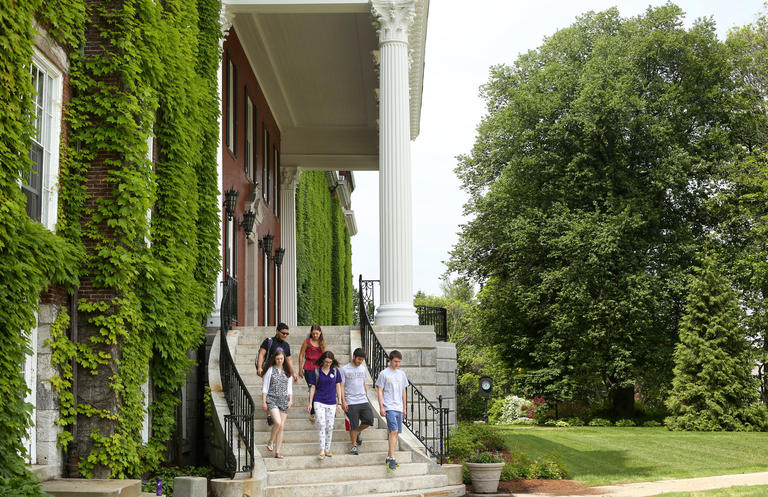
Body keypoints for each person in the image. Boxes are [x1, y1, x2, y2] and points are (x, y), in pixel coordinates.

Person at [376, 350, 408, 471]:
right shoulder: (384, 373)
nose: (397, 364)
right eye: (395, 361)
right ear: (390, 360)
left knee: (395, 433)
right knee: (393, 430)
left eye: (399, 362)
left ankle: (389, 457)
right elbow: (379, 390)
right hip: (389, 407)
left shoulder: (402, 374)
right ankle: (392, 457)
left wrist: (405, 408)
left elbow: (403, 391)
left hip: (399, 407)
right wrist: (381, 407)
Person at [307, 351, 342, 459]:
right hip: (319, 401)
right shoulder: (316, 371)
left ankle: (327, 448)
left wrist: (339, 402)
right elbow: (312, 387)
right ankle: (322, 449)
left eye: (330, 362)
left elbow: (338, 387)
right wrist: (310, 403)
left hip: (331, 402)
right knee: (322, 424)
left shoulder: (335, 371)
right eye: (326, 362)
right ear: (322, 361)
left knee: (330, 426)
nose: (328, 364)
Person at [261, 349, 293, 459]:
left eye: (281, 359)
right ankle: (271, 441)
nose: (279, 360)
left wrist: (290, 400)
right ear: (274, 359)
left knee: (282, 427)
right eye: (278, 359)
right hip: (272, 399)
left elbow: (290, 388)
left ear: (284, 359)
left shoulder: (287, 371)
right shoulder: (270, 370)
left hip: (284, 400)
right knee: (278, 423)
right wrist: (264, 401)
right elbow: (265, 387)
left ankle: (277, 452)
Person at [341, 348, 373, 455]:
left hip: (362, 399)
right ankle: (354, 445)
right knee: (353, 424)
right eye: (359, 359)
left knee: (369, 420)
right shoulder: (345, 369)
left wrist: (365, 394)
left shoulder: (362, 369)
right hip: (350, 401)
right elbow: (341, 386)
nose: (360, 362)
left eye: (362, 360)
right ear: (354, 356)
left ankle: (358, 432)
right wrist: (343, 401)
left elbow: (363, 382)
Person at [298, 324, 326, 421]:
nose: (315, 335)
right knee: (312, 388)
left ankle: (319, 408)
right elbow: (301, 355)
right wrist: (300, 369)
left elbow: (324, 357)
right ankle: (313, 412)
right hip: (309, 368)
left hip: (319, 368)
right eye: (313, 334)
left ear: (320, 333)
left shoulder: (322, 342)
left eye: (317, 334)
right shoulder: (307, 342)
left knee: (319, 388)